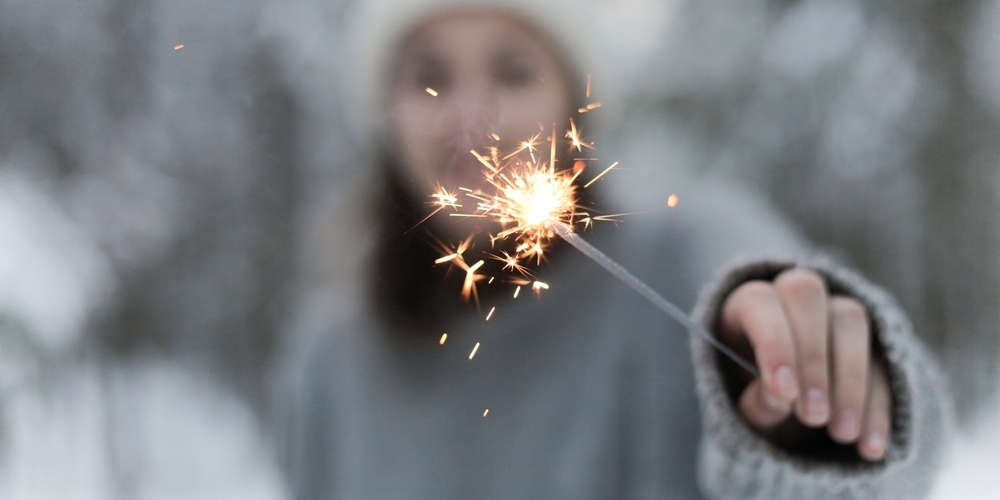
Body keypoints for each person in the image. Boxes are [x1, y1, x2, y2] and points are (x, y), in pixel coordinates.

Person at [278, 1, 950, 498]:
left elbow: (885, 465)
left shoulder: (688, 254)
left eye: (513, 73)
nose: (469, 117)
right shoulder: (330, 359)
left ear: (574, 105)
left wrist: (816, 388)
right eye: (428, 77)